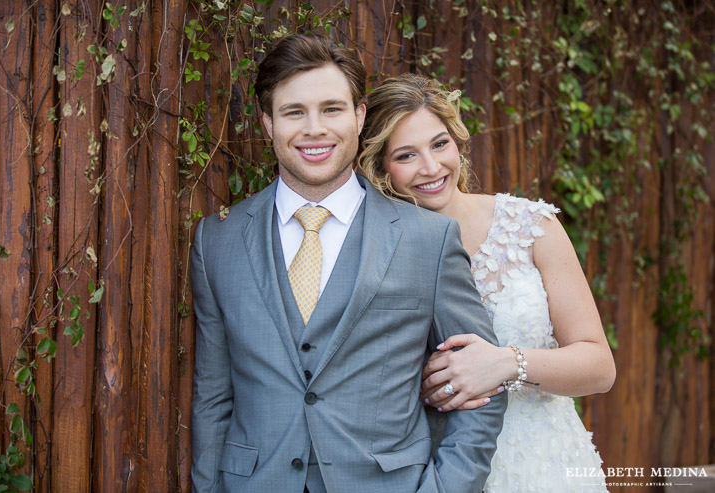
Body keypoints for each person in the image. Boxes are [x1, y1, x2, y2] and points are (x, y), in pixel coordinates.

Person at [190, 35, 506, 493]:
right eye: (294, 112)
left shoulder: (428, 240)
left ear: (359, 116)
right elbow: (212, 397)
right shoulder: (216, 240)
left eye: (332, 109)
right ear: (267, 123)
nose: (314, 128)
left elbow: (481, 389)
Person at [358, 73, 616, 492]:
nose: (431, 167)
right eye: (406, 155)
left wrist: (506, 363)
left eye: (439, 144)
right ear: (380, 166)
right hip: (436, 469)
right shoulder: (373, 251)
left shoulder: (532, 228)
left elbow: (599, 368)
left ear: (457, 140)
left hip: (546, 465)